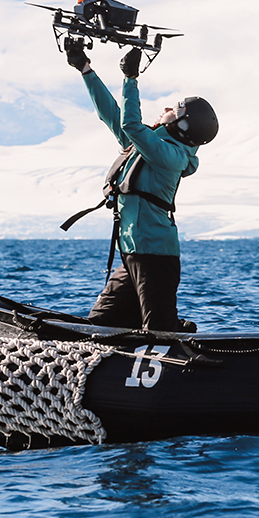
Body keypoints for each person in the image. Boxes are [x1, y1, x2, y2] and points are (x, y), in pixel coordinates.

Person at [64, 37, 217, 331]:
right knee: (102, 323)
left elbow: (130, 125)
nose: (166, 108)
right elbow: (112, 115)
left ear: (182, 124)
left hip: (155, 257)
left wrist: (130, 78)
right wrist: (85, 69)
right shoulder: (146, 145)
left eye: (174, 109)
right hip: (132, 254)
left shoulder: (170, 156)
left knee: (159, 330)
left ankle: (179, 341)